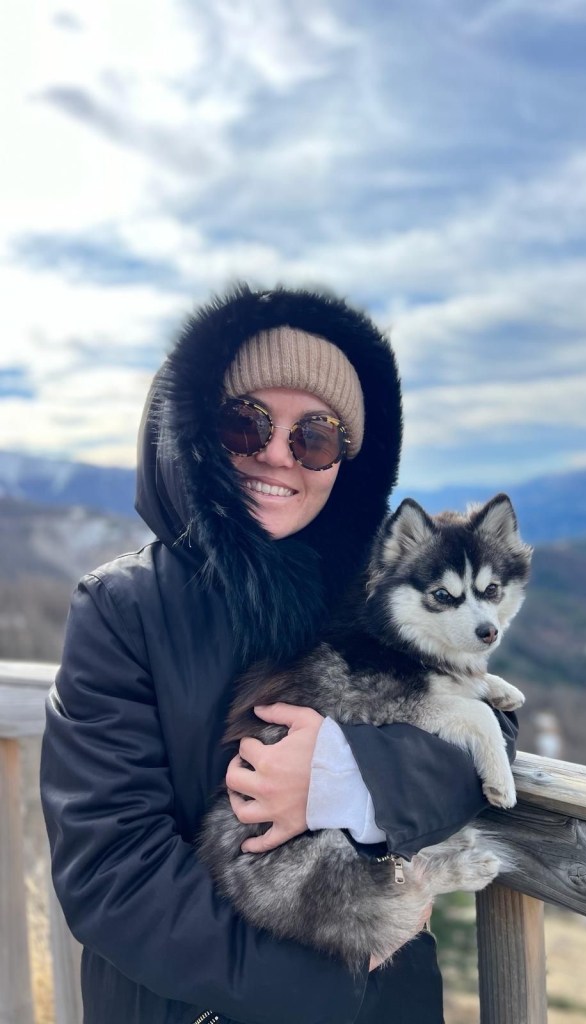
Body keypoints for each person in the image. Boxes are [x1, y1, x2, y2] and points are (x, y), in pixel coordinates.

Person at [40, 284, 519, 1024]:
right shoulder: (122, 609)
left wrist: (348, 778)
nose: (276, 454)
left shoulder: (382, 588)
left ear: (346, 461)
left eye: (315, 436)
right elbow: (110, 874)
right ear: (198, 433)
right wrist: (330, 981)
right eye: (246, 423)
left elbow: (491, 740)